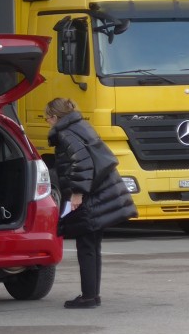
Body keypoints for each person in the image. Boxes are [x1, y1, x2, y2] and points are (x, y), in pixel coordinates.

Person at [45, 97, 137, 308]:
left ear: (54, 117)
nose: (47, 122)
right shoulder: (81, 127)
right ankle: (92, 295)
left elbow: (82, 162)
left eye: (47, 118)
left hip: (88, 196)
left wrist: (77, 193)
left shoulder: (66, 133)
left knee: (85, 245)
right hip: (99, 191)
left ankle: (88, 297)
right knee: (93, 245)